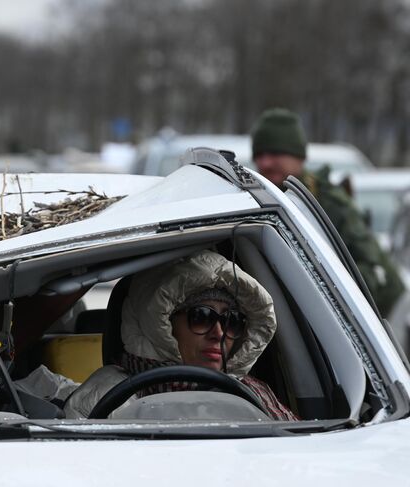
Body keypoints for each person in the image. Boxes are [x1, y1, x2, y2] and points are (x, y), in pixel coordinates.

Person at [64, 250, 298, 421]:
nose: (218, 334)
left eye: (231, 321)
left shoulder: (253, 392)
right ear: (161, 324)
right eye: (201, 317)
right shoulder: (104, 394)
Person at [251, 108, 404, 316]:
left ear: (299, 157)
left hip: (380, 317)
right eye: (259, 155)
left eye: (275, 154)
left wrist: (322, 288)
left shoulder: (328, 202)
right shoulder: (258, 198)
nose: (265, 163)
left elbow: (372, 270)